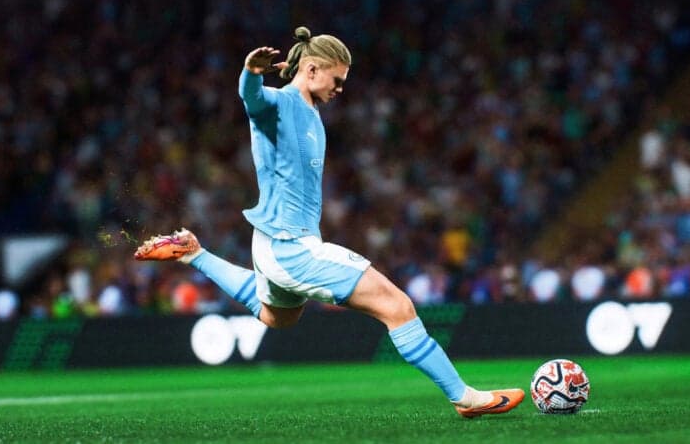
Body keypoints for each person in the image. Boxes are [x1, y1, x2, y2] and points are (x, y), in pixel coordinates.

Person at [134, 26, 524, 418]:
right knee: (396, 305)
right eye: (336, 80)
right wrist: (250, 73)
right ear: (312, 70)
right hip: (290, 246)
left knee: (276, 317)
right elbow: (252, 99)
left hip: (272, 244)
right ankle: (464, 398)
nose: (340, 89)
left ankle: (194, 254)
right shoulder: (281, 103)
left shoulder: (310, 113)